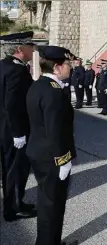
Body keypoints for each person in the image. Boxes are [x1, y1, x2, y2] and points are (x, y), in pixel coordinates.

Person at [26, 45, 78, 245]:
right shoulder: (53, 92)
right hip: (52, 157)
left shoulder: (38, 85)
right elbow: (55, 130)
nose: (70, 67)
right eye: (67, 64)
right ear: (57, 67)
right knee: (52, 204)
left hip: (39, 152)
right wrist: (63, 159)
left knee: (48, 202)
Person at [0, 31, 37, 222]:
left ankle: (15, 203)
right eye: (30, 46)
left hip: (5, 128)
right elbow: (12, 104)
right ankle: (14, 208)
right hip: (14, 130)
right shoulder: (16, 71)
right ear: (20, 49)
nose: (33, 49)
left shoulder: (4, 66)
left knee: (10, 169)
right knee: (16, 169)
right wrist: (18, 133)